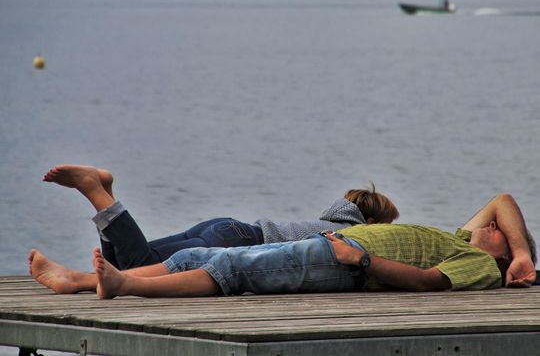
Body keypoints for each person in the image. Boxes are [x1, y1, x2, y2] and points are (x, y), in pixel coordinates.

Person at [29, 193, 536, 298]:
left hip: (340, 262)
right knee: (198, 258)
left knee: (234, 272)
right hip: (330, 246)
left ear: (491, 247)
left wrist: (359, 258)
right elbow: (502, 199)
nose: (491, 224)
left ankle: (121, 283)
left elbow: (429, 283)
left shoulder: (475, 263)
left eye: (497, 232)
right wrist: (522, 254)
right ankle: (80, 279)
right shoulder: (462, 240)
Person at [42, 165, 399, 270]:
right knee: (140, 264)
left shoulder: (330, 222)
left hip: (227, 228)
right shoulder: (351, 236)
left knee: (124, 266)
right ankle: (94, 189)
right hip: (235, 243)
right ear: (375, 225)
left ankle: (104, 191)